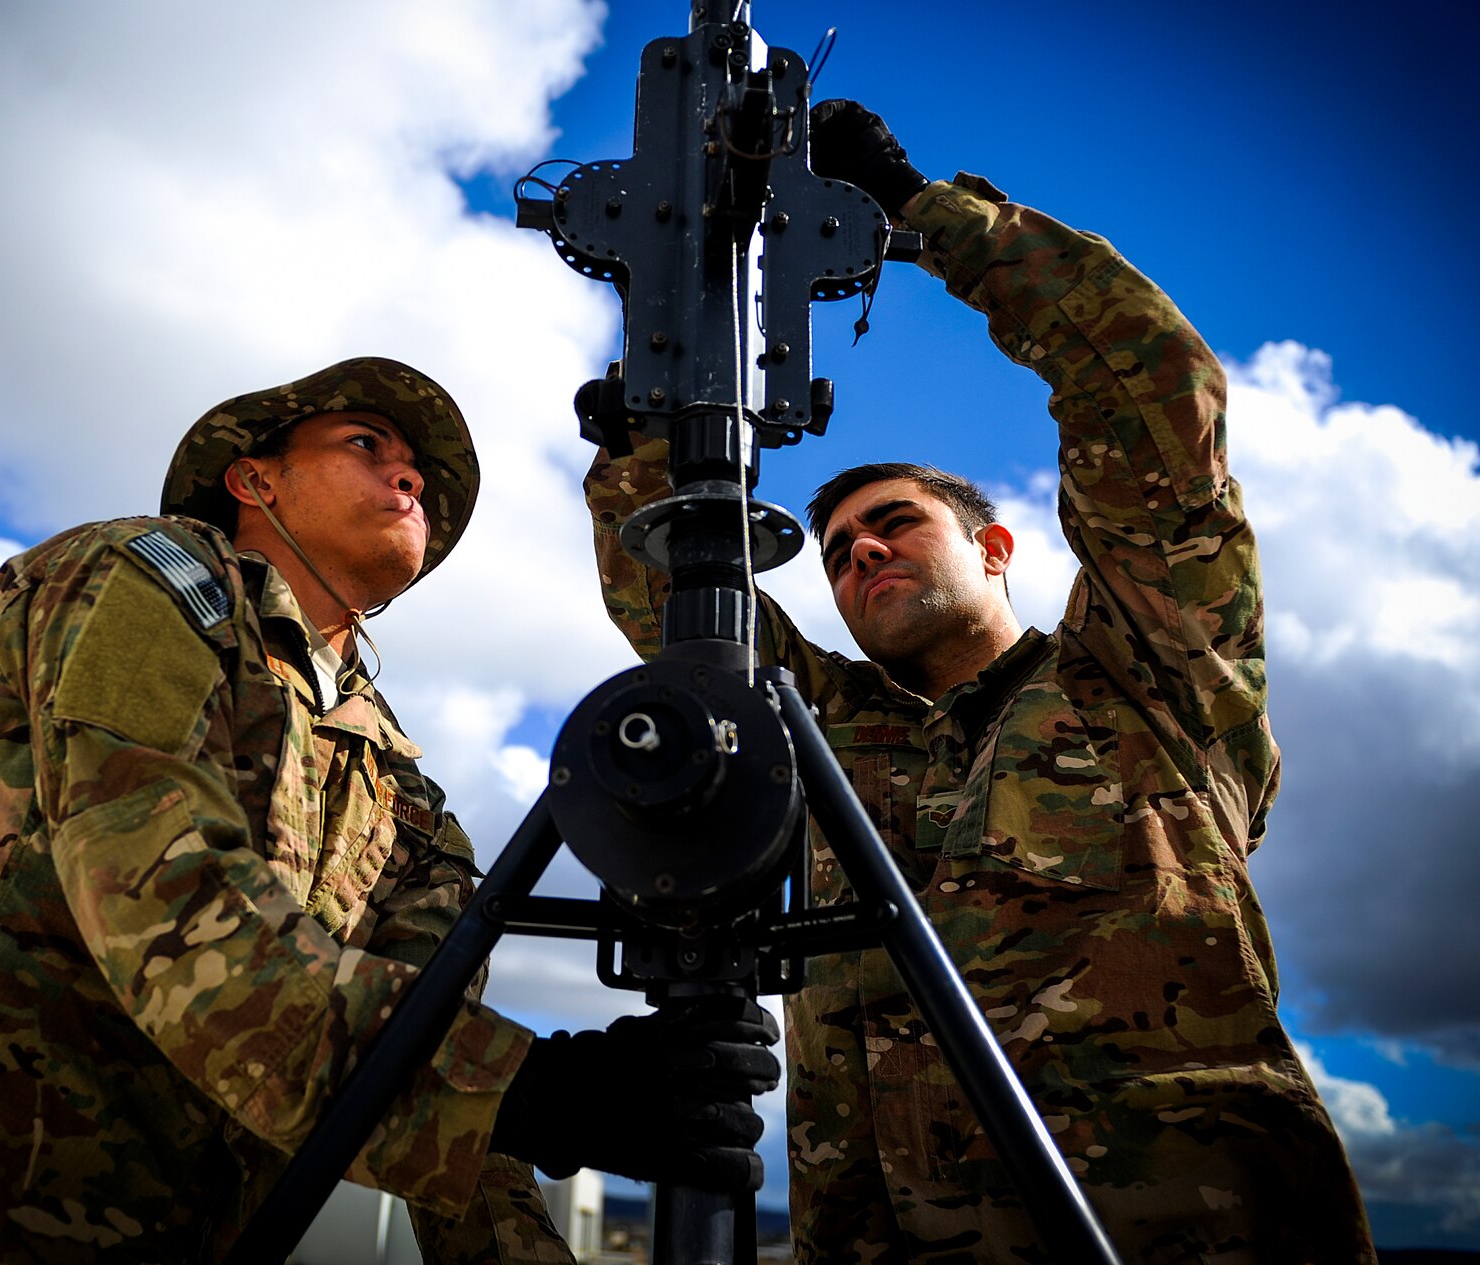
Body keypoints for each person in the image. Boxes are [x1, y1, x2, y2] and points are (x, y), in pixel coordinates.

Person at [0, 357, 779, 1264]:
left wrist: (561, 1106)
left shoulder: (408, 797)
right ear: (252, 479)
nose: (410, 481)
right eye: (368, 446)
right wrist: (534, 1087)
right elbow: (152, 872)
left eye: (421, 478)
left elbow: (438, 1080)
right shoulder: (149, 574)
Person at [584, 106, 1377, 1263]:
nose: (859, 553)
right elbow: (671, 603)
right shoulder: (816, 741)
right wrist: (650, 411)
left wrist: (923, 215)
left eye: (893, 522)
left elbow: (1151, 387)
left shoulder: (1149, 681)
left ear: (993, 547)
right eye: (838, 548)